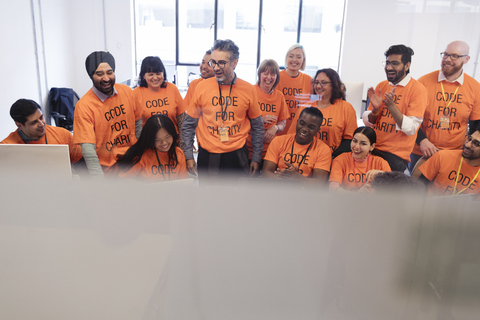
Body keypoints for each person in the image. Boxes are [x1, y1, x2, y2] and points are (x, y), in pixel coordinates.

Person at [182, 39, 264, 178]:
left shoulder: (248, 89)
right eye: (213, 62)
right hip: (207, 155)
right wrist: (189, 155)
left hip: (237, 156)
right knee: (209, 198)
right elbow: (189, 125)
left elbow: (257, 126)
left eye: (221, 63)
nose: (216, 67)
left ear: (234, 62)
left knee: (235, 199)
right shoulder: (201, 87)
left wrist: (256, 157)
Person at [410, 41, 480, 173]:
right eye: (445, 55)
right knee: (416, 191)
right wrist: (422, 141)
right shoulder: (423, 82)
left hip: (455, 153)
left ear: (466, 59)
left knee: (442, 190)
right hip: (422, 150)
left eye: (454, 56)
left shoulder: (475, 88)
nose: (447, 60)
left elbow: (476, 125)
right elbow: (411, 118)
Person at [73, 51, 142, 179]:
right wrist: (100, 182)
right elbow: (88, 150)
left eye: (109, 72)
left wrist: (138, 152)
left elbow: (138, 122)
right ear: (91, 76)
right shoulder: (84, 106)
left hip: (133, 166)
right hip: (108, 173)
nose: (106, 78)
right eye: (99, 74)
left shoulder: (127, 91)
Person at [362, 44, 428, 172]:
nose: (389, 68)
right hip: (372, 148)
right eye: (387, 63)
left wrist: (392, 106)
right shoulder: (382, 85)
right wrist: (375, 111)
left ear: (407, 65)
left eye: (395, 64)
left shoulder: (418, 90)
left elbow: (411, 129)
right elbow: (368, 122)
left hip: (395, 156)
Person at [288, 68, 357, 158]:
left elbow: (350, 140)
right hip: (304, 158)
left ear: (334, 85)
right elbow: (292, 135)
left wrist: (331, 158)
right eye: (316, 82)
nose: (318, 86)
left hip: (333, 158)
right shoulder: (305, 107)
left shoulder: (346, 108)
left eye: (323, 83)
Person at [262, 107, 331, 185]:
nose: (304, 129)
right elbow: (266, 173)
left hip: (305, 194)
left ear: (318, 130)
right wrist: (288, 184)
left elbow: (319, 184)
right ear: (297, 122)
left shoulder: (323, 150)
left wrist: (296, 176)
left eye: (311, 127)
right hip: (278, 190)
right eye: (302, 123)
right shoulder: (278, 141)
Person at [1, 99, 82, 163]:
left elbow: (81, 165)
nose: (41, 124)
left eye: (41, 117)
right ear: (19, 125)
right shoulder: (6, 147)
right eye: (34, 122)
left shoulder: (62, 134)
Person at [117, 114, 188, 181]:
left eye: (167, 137)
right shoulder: (141, 156)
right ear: (150, 138)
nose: (164, 143)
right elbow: (125, 182)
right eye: (157, 139)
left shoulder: (178, 154)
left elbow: (184, 183)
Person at [246, 59, 288, 165]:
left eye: (273, 74)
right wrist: (259, 120)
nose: (269, 77)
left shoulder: (279, 96)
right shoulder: (250, 91)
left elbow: (282, 122)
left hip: (271, 152)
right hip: (249, 149)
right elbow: (239, 121)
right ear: (259, 74)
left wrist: (276, 127)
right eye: (265, 73)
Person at [133, 56, 186, 138]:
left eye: (158, 74)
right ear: (144, 76)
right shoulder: (135, 93)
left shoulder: (172, 89)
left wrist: (183, 145)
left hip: (172, 141)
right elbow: (134, 126)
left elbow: (182, 121)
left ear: (163, 73)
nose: (155, 78)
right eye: (151, 74)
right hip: (148, 143)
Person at [418, 128, 480, 196]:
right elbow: (420, 186)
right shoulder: (442, 156)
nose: (467, 145)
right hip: (432, 204)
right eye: (469, 139)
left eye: (476, 143)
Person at [329, 126, 391, 192]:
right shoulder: (340, 159)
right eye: (354, 141)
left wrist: (384, 176)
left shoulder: (381, 163)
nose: (357, 147)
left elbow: (392, 191)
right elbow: (333, 188)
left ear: (372, 146)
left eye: (363, 144)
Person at [277, 44, 312, 135]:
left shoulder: (308, 80)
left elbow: (319, 100)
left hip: (300, 130)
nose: (294, 60)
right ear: (286, 58)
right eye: (291, 56)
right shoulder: (276, 77)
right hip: (278, 129)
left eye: (298, 57)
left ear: (303, 60)